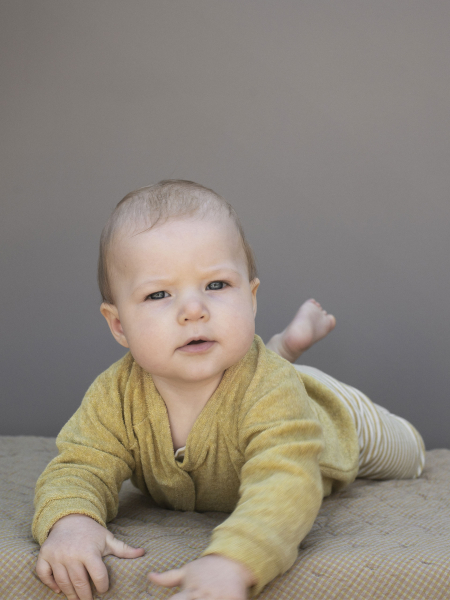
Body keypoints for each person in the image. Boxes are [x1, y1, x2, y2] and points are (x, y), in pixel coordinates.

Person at [33, 180, 425, 600]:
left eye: (216, 285)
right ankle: (283, 347)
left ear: (250, 299)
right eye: (159, 294)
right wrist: (71, 522)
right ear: (118, 325)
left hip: (335, 416)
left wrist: (235, 559)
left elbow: (285, 480)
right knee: (259, 374)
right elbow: (80, 464)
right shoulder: (115, 395)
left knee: (412, 456)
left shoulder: (272, 389)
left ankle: (285, 357)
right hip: (261, 382)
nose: (194, 310)